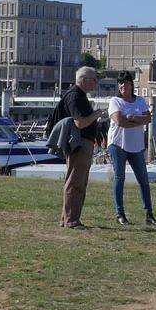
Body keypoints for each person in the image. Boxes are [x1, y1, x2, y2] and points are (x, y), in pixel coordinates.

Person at [51, 67, 103, 230]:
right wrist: (96, 114)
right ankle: (71, 220)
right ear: (84, 80)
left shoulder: (78, 95)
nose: (96, 82)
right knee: (75, 182)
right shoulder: (74, 96)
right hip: (79, 143)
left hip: (82, 142)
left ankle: (66, 218)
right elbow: (79, 122)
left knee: (77, 180)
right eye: (94, 79)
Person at [107, 76, 156, 226]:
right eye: (120, 83)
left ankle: (149, 214)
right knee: (120, 177)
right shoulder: (114, 101)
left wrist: (131, 117)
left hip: (136, 146)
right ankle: (120, 214)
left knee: (143, 180)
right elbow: (120, 122)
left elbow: (148, 118)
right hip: (118, 144)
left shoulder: (140, 101)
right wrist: (136, 120)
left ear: (132, 84)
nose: (123, 85)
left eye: (126, 82)